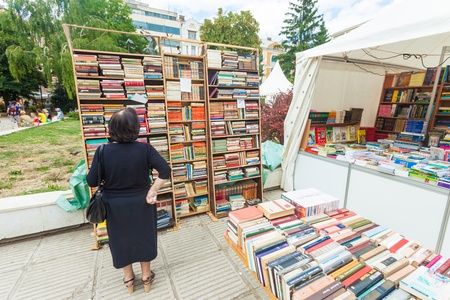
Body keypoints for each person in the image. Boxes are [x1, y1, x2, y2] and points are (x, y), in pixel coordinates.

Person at [86, 108, 171, 295]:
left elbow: (92, 181)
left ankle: (129, 280)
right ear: (135, 128)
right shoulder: (145, 148)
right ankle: (146, 277)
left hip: (114, 205)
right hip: (142, 202)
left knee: (120, 240)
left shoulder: (102, 151)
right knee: (144, 237)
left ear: (111, 129)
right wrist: (152, 191)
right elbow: (165, 170)